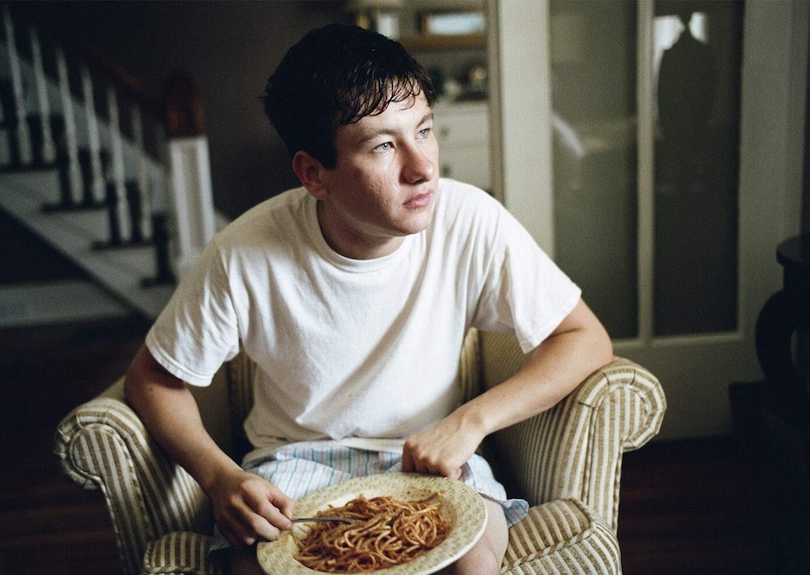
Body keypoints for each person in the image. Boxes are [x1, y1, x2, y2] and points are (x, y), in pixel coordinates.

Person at [124, 23, 613, 575]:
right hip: (293, 466)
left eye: (424, 130)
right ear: (314, 174)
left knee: (470, 564)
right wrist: (219, 477)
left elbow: (584, 338)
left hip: (431, 457)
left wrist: (472, 422)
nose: (423, 166)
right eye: (384, 145)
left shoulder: (469, 219)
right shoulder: (243, 252)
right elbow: (153, 379)